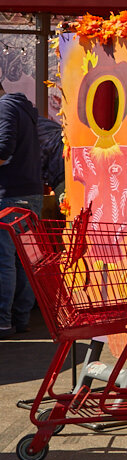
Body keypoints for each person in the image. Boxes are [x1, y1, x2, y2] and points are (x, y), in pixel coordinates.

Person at [0, 80, 43, 337]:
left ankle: (3, 321)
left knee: (4, 260)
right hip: (30, 194)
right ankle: (21, 318)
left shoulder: (4, 107)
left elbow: (3, 150)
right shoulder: (23, 108)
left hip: (10, 195)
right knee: (25, 260)